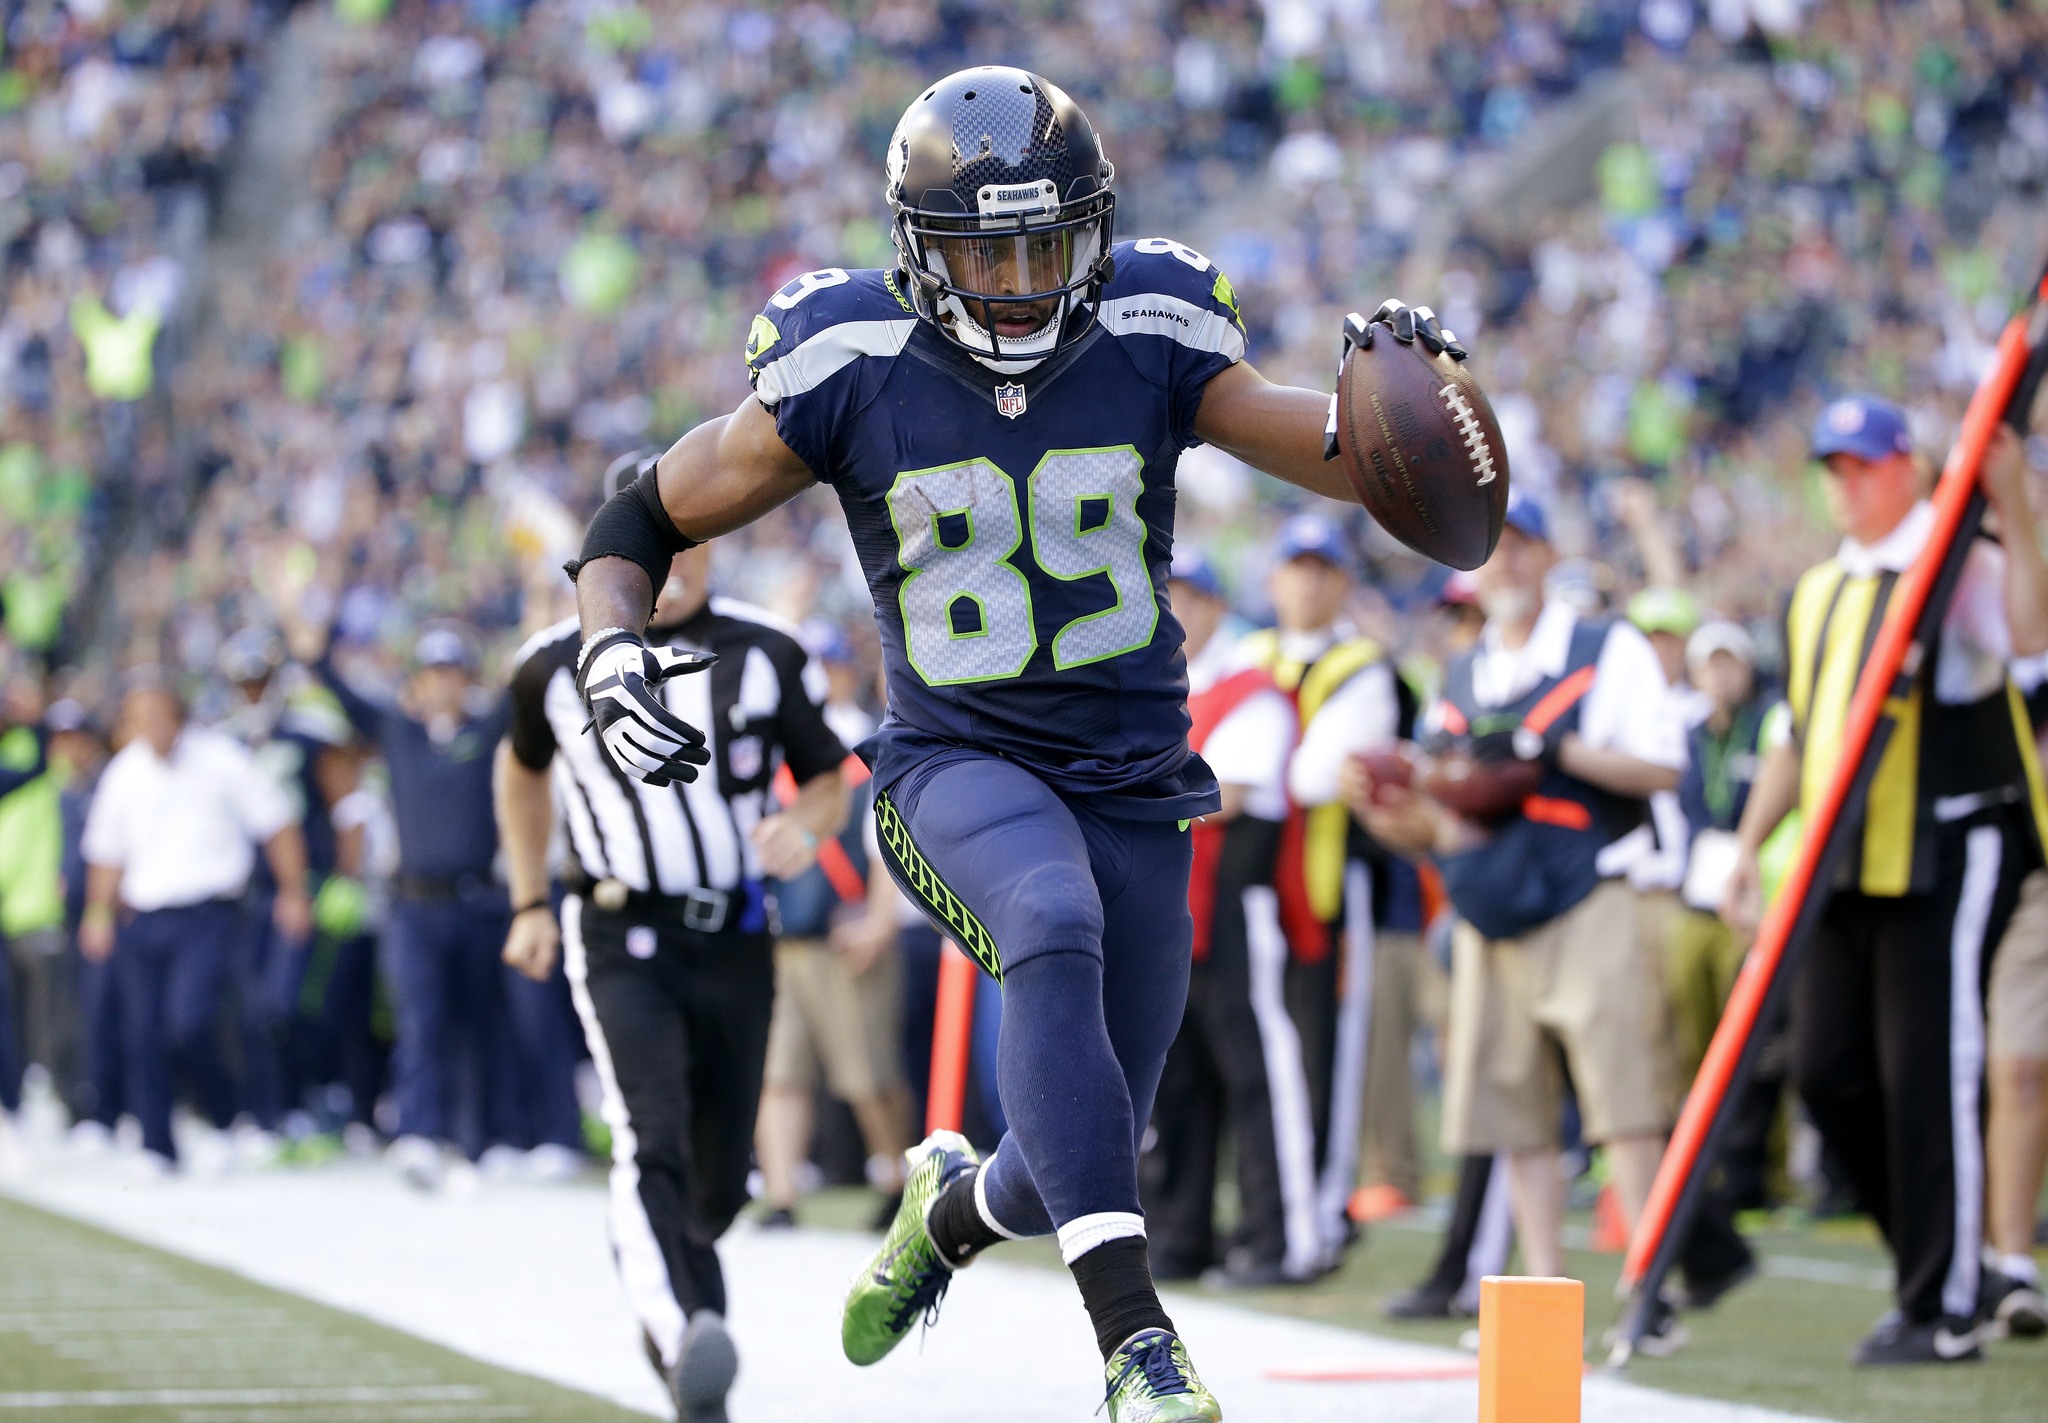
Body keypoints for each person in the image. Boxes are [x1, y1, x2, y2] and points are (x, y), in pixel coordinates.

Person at [561, 65, 1474, 1420]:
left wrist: (1415, 394)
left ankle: (944, 1214)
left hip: (1134, 775)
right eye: (985, 246)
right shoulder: (846, 359)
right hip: (956, 764)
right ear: (918, 249)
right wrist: (608, 641)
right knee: (1048, 922)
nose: (1020, 276)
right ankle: (1137, 1339)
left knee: (1071, 1147)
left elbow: (1345, 451)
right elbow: (642, 520)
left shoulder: (1153, 324)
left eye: (1048, 241)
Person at [1724, 397, 2048, 1364]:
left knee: (1929, 1073)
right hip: (1839, 859)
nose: (1845, 482)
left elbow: (2030, 641)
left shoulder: (1953, 561)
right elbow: (1795, 731)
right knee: (1824, 1072)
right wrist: (1747, 846)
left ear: (1906, 468)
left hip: (1943, 844)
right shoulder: (1820, 587)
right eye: (1832, 465)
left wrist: (2013, 508)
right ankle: (1939, 1265)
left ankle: (1944, 1307)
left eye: (1863, 464)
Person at [499, 544, 849, 1423]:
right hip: (617, 926)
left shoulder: (770, 649)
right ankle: (682, 1332)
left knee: (719, 1178)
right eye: (642, 554)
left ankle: (683, 1313)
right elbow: (520, 767)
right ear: (595, 573)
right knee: (646, 1130)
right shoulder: (549, 663)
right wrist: (527, 899)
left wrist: (804, 828)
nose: (668, 567)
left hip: (732, 931)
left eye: (683, 545)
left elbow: (825, 779)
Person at [1354, 494, 1693, 1348]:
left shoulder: (1601, 646)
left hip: (1591, 891)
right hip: (1490, 903)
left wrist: (1547, 752)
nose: (1505, 561)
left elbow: (1659, 765)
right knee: (1511, 1111)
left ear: (1547, 557)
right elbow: (1443, 810)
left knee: (1625, 1105)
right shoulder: (1462, 674)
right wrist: (1396, 813)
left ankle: (1650, 1292)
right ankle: (1544, 1301)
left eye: (1522, 545)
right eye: (1492, 546)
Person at [1238, 515, 1413, 1260]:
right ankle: (1273, 1210)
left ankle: (1323, 1211)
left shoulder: (1363, 665)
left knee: (1326, 1052)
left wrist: (1248, 765)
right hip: (1252, 885)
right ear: (1274, 578)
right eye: (1296, 565)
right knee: (1263, 1057)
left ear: (1342, 582)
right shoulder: (1251, 655)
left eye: (1322, 567)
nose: (1308, 580)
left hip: (1328, 884)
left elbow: (1313, 774)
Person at [297, 617, 522, 1184]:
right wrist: (311, 643)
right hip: (415, 906)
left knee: (478, 1022)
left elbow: (528, 686)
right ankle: (420, 1133)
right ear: (417, 683)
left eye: (452, 673)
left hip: (477, 901)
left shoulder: (486, 730)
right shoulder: (398, 731)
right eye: (433, 674)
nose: (443, 685)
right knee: (420, 1020)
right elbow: (341, 692)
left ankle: (479, 1140)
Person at [1143, 550, 1315, 1286]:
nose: (1175, 608)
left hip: (1240, 902)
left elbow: (1230, 792)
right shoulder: (1155, 688)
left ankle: (1278, 1238)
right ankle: (1182, 1235)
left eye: (1187, 595)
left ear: (1214, 606)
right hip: (1176, 909)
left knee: (1256, 1074)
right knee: (1177, 1076)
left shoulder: (1252, 692)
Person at [78, 675, 312, 1175]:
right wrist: (98, 913)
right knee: (142, 1033)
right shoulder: (125, 773)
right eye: (140, 719)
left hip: (209, 913)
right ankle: (157, 1143)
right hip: (143, 915)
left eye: (160, 715)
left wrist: (294, 890)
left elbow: (275, 822)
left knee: (189, 1021)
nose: (152, 728)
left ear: (179, 717)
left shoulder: (221, 760)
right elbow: (106, 851)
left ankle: (226, 1113)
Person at [755, 625, 912, 1230]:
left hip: (844, 932)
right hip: (785, 934)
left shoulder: (868, 744)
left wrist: (879, 920)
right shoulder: (776, 743)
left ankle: (898, 1179)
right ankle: (782, 1193)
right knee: (780, 1072)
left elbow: (885, 840)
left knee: (868, 1074)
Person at [216, 627, 340, 1154]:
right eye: (244, 682)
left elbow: (344, 808)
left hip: (298, 886)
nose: (252, 691)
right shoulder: (222, 743)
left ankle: (305, 1101)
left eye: (259, 679)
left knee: (287, 1005)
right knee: (250, 1008)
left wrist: (328, 881)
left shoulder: (310, 735)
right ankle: (267, 1110)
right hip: (243, 891)